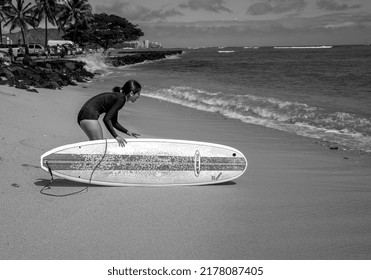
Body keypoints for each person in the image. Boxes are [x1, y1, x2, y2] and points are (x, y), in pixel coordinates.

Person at [77, 79, 141, 147]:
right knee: (99, 145)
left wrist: (127, 132)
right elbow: (106, 119)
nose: (139, 96)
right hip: (89, 116)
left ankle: (84, 154)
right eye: (138, 94)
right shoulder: (121, 99)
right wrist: (116, 136)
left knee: (96, 145)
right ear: (131, 93)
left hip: (84, 116)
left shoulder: (118, 97)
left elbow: (114, 122)